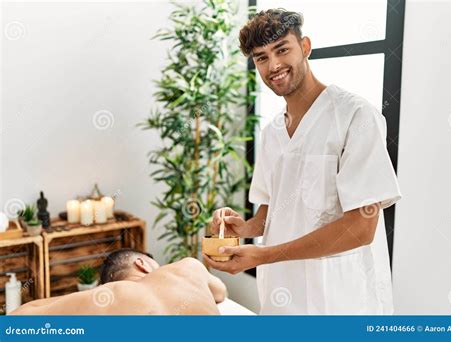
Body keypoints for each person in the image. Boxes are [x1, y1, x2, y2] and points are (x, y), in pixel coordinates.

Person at [203, 9, 402, 315]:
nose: (274, 65)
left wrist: (263, 255)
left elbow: (361, 227)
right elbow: (273, 211)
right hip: (283, 297)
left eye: (282, 49)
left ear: (305, 46)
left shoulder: (355, 117)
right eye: (261, 58)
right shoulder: (272, 132)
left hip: (342, 301)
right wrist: (242, 227)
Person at [12, 249, 226, 315]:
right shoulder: (187, 266)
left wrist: (76, 299)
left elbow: (18, 317)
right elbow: (220, 293)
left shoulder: (109, 296)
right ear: (142, 264)